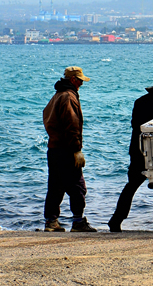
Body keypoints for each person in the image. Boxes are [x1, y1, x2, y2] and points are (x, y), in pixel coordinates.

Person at [108, 75, 153, 232]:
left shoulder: (140, 101)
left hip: (137, 148)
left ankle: (116, 219)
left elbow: (134, 124)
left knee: (131, 186)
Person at [43, 66, 97, 232]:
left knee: (55, 187)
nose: (81, 83)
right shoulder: (68, 96)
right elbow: (72, 125)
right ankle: (78, 222)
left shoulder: (57, 95)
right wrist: (76, 150)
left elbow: (47, 117)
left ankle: (51, 222)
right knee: (78, 187)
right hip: (66, 150)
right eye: (80, 80)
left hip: (54, 148)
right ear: (73, 80)